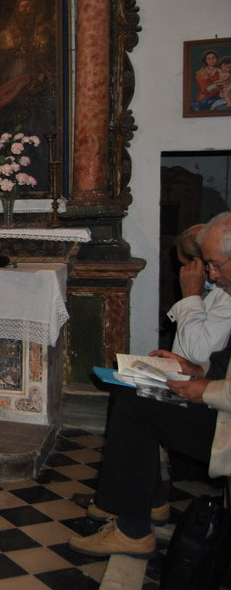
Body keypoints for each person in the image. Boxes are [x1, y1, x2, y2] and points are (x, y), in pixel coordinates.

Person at [69, 212, 231, 558]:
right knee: (128, 386)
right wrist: (197, 369)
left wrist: (205, 388)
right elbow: (217, 359)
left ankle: (132, 531)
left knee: (135, 404)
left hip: (223, 420)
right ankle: (149, 500)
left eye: (214, 265)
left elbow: (203, 348)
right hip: (215, 399)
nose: (211, 275)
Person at [167, 223, 231, 365]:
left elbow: (200, 354)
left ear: (201, 264)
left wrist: (190, 296)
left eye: (185, 265)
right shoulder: (210, 288)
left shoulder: (227, 296)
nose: (183, 271)